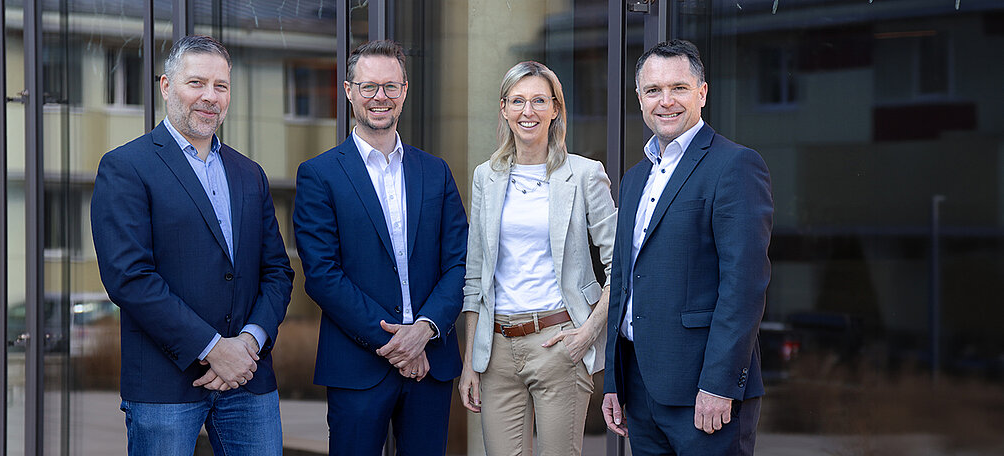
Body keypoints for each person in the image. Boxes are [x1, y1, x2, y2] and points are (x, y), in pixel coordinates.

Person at [91, 34, 294, 456]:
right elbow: (129, 278)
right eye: (196, 83)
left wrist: (249, 344)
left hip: (248, 381)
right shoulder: (126, 167)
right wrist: (214, 348)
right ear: (166, 86)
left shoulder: (249, 173)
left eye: (221, 86)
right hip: (166, 386)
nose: (210, 97)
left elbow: (276, 271)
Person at [292, 39, 468, 456]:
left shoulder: (435, 171)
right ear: (350, 91)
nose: (380, 97)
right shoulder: (319, 175)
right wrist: (397, 344)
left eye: (390, 87)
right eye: (369, 87)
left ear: (404, 91)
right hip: (358, 364)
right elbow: (322, 275)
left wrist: (424, 330)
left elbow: (460, 263)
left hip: (431, 360)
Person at [601, 39, 773, 455]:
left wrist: (718, 383)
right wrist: (614, 381)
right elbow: (623, 279)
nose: (666, 102)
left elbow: (743, 286)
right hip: (640, 387)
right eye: (653, 90)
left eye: (678, 88)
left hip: (704, 391)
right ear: (639, 99)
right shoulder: (634, 178)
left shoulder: (734, 165)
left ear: (702, 92)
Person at [459, 61, 616, 456]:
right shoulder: (486, 176)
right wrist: (469, 363)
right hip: (495, 350)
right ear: (504, 109)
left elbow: (623, 267)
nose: (527, 111)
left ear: (555, 109)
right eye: (518, 101)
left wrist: (587, 334)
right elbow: (475, 276)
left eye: (538, 101)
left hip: (558, 342)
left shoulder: (583, 174)